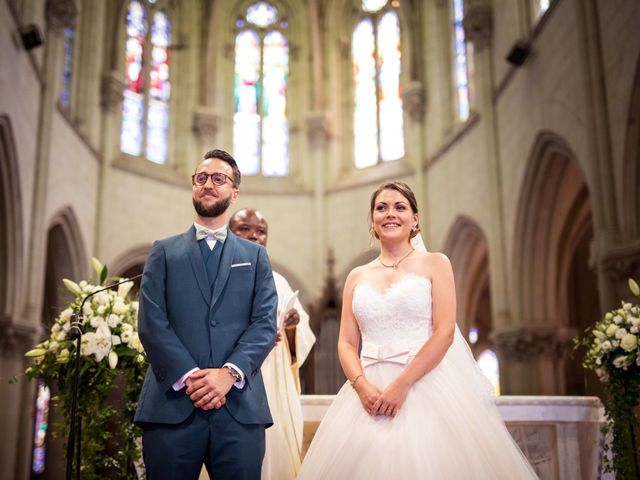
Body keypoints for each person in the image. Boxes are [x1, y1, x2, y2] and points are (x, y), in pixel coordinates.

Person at [297, 181, 538, 479]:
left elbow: (444, 333)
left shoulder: (436, 264)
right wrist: (362, 387)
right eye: (381, 208)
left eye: (400, 207)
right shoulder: (356, 276)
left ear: (415, 218)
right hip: (367, 392)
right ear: (372, 220)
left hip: (424, 385)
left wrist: (402, 385)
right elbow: (346, 342)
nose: (390, 214)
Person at [134, 149, 278, 480]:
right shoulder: (164, 251)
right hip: (172, 407)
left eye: (218, 178)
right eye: (201, 178)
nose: (208, 184)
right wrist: (191, 378)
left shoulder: (255, 257)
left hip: (239, 409)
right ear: (193, 186)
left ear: (234, 192)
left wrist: (227, 375)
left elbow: (265, 324)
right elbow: (152, 323)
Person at [229, 208, 316, 480]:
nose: (254, 235)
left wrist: (291, 328)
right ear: (229, 233)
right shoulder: (216, 277)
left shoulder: (278, 281)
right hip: (231, 380)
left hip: (273, 381)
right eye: (244, 228)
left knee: (274, 450)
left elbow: (298, 346)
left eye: (261, 231)